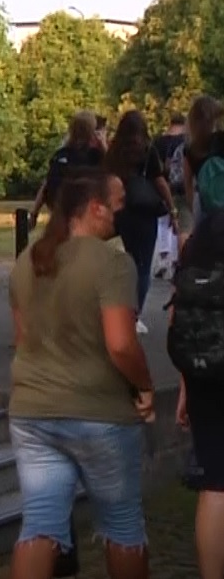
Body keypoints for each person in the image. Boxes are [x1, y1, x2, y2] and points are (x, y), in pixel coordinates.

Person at [8, 166, 154, 579]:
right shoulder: (113, 264)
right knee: (123, 525)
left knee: (39, 523)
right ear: (94, 209)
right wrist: (143, 386)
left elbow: (22, 339)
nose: (118, 216)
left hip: (31, 411)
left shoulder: (28, 261)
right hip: (99, 413)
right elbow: (122, 343)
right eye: (115, 207)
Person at [171, 208, 224, 579]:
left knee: (215, 482)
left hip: (205, 368)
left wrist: (186, 383)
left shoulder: (206, 230)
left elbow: (182, 306)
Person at [104, 110, 176, 334]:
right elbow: (160, 181)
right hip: (145, 213)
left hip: (123, 211)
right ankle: (134, 316)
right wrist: (172, 209)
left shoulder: (115, 153)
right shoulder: (147, 151)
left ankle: (122, 308)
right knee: (143, 266)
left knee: (130, 260)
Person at [29, 110, 104, 229]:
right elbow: (113, 172)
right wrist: (103, 145)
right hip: (81, 216)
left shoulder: (60, 155)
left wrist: (34, 213)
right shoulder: (93, 156)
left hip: (58, 212)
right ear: (91, 132)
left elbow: (47, 184)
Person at [152, 114, 189, 273]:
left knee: (162, 222)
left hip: (161, 184)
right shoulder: (186, 141)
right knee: (179, 224)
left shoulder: (159, 141)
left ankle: (163, 255)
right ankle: (175, 259)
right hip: (181, 186)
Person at [184, 95, 224, 225]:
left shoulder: (190, 149)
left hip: (209, 213)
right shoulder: (221, 138)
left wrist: (192, 209)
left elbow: (188, 184)